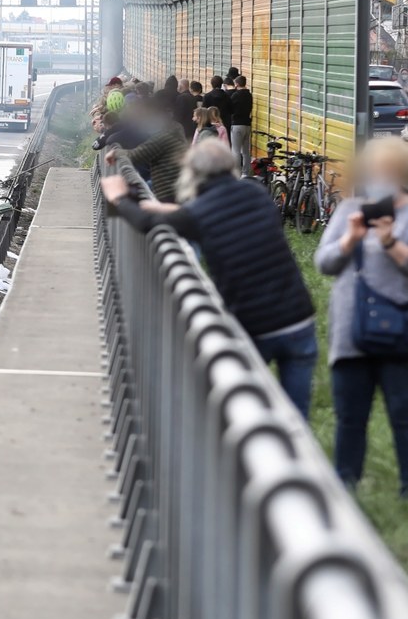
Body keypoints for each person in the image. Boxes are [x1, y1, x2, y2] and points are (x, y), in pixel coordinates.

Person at [101, 140, 317, 417]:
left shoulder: (199, 214)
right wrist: (153, 206)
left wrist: (119, 197)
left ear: (192, 173)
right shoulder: (256, 193)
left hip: (255, 325)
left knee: (243, 409)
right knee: (297, 416)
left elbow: (147, 224)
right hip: (299, 318)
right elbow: (203, 214)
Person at [315, 138, 408, 496]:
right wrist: (349, 240)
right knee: (350, 418)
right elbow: (323, 263)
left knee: (403, 417)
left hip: (399, 334)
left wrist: (389, 242)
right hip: (351, 333)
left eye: (388, 171)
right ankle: (345, 487)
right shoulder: (349, 210)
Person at [104, 98, 187, 203]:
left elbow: (135, 155)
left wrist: (115, 152)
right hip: (177, 188)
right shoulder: (177, 130)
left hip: (167, 192)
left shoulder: (163, 139)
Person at [228, 74, 253, 177]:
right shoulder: (249, 95)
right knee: (246, 151)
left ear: (237, 84)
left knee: (236, 150)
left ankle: (236, 173)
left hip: (237, 124)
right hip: (247, 124)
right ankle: (246, 173)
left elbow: (230, 109)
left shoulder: (235, 95)